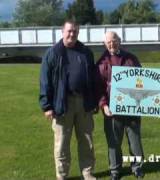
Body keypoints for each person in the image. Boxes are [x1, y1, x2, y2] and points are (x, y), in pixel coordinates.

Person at [39, 20, 97, 180]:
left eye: (75, 31)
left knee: (86, 141)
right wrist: (47, 106)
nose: (72, 34)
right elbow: (45, 81)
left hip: (84, 103)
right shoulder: (52, 53)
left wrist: (93, 102)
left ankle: (87, 172)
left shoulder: (86, 52)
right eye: (69, 31)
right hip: (62, 104)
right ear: (62, 31)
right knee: (62, 143)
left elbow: (92, 79)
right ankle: (62, 175)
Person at [95, 31, 144, 180]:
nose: (112, 44)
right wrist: (103, 105)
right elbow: (99, 87)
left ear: (119, 40)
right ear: (105, 44)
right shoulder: (101, 63)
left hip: (132, 108)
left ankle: (137, 167)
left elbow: (142, 80)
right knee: (114, 142)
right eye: (108, 42)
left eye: (114, 40)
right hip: (112, 109)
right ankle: (115, 170)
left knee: (135, 140)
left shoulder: (131, 58)